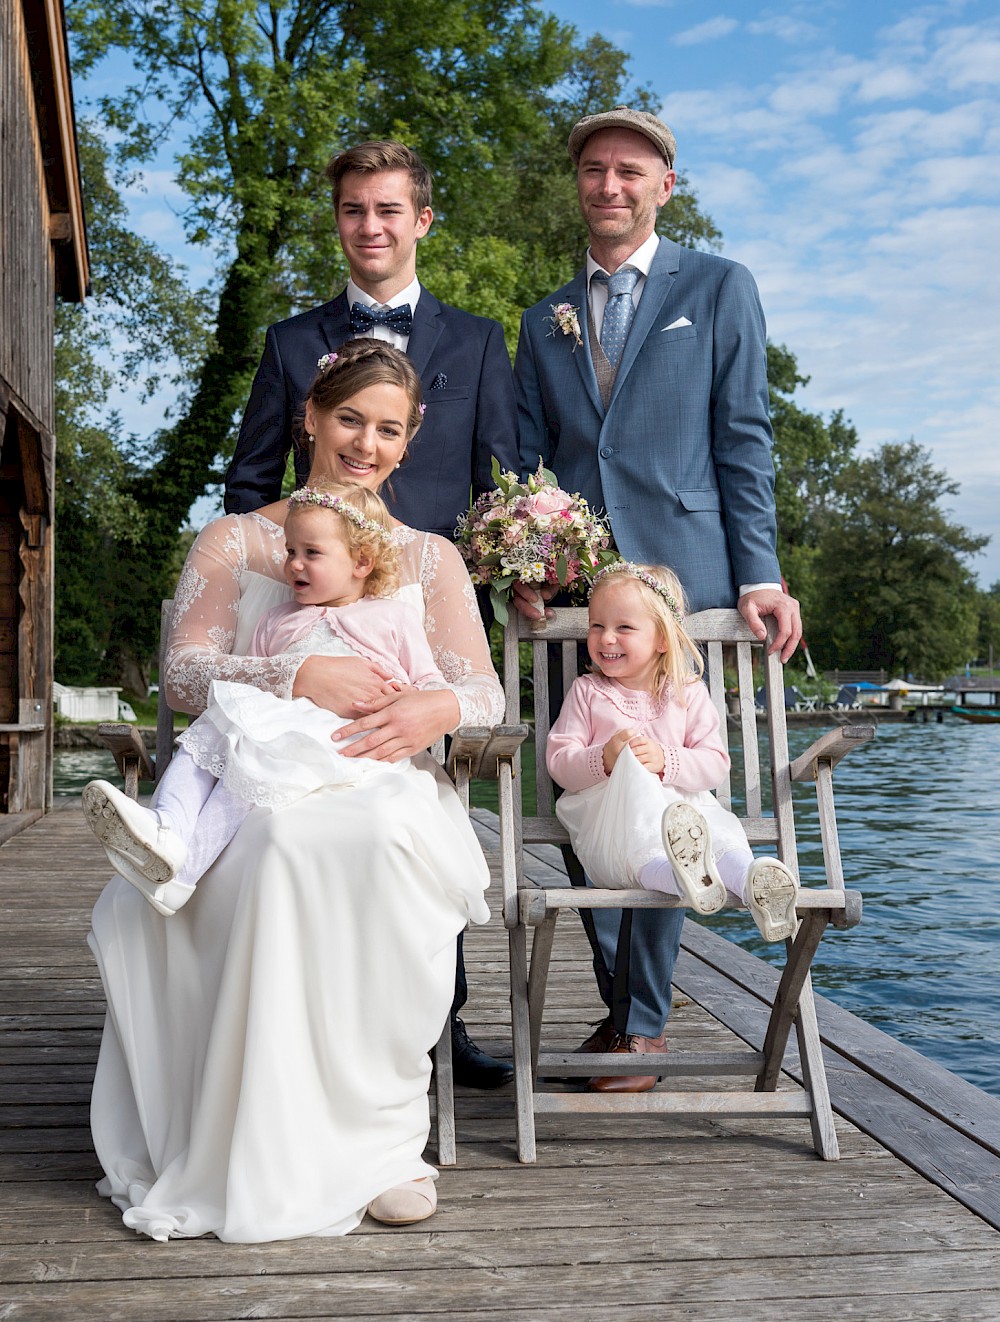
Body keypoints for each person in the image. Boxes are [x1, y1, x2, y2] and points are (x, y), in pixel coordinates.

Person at [86, 340, 506, 1241]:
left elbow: (482, 690)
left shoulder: (429, 557)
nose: (365, 443)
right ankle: (258, 1136)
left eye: (388, 428)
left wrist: (436, 702)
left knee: (352, 844)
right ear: (309, 416)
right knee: (281, 845)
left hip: (383, 775)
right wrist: (297, 675)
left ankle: (382, 1145)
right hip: (261, 776)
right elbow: (184, 674)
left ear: (411, 437)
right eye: (349, 418)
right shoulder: (237, 541)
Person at [512, 105, 803, 1091]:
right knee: (586, 798)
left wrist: (757, 570)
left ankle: (638, 1025)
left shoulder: (718, 288)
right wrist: (526, 558)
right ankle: (620, 1013)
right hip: (576, 597)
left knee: (673, 789)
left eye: (628, 171)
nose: (609, 186)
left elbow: (744, 435)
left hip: (685, 580)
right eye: (593, 170)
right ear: (578, 184)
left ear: (662, 185)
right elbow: (526, 453)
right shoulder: (541, 318)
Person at [226, 139, 518, 1087]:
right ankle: (283, 1020)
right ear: (340, 220)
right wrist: (268, 571)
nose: (373, 226)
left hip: (422, 600)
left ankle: (441, 1023)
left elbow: (499, 481)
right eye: (356, 210)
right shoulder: (288, 341)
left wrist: (484, 572)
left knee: (427, 797)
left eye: (390, 210)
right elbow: (250, 473)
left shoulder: (475, 341)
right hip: (303, 591)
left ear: (421, 220)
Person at [81, 481, 456, 918]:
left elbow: (430, 682)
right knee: (203, 743)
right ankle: (166, 829)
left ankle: (181, 876)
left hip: (334, 738)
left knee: (246, 775)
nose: (293, 563)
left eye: (311, 553)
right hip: (272, 720)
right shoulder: (277, 618)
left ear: (362, 561)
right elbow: (253, 681)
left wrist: (410, 697)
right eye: (290, 550)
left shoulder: (393, 616)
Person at [546, 562, 800, 978]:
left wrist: (668, 760)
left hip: (686, 818)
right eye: (596, 626)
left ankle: (750, 877)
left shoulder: (686, 694)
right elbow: (559, 764)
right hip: (612, 829)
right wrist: (604, 759)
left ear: (663, 638)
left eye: (623, 628)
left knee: (718, 830)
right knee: (641, 796)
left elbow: (715, 765)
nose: (605, 638)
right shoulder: (587, 691)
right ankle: (685, 878)